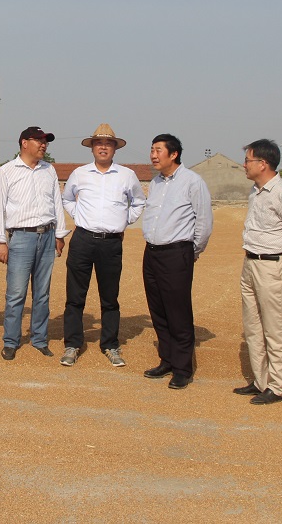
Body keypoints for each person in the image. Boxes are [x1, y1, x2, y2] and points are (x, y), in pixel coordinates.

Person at [60, 123, 145, 368]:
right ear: (92, 148)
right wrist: (78, 215)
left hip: (111, 243)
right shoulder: (80, 174)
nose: (103, 147)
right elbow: (67, 199)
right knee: (75, 296)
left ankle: (110, 344)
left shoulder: (127, 175)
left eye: (108, 144)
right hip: (83, 240)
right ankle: (72, 344)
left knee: (110, 297)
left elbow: (139, 202)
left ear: (115, 148)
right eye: (99, 143)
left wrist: (124, 220)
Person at [233, 139, 282, 404]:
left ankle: (277, 385)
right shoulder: (255, 192)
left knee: (274, 328)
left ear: (263, 164)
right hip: (251, 262)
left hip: (273, 264)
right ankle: (261, 381)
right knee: (253, 326)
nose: (244, 165)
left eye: (248, 160)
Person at [0, 126, 70, 360]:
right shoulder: (6, 172)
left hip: (47, 235)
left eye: (46, 141)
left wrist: (60, 234)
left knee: (42, 293)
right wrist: (0, 241)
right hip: (21, 237)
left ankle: (39, 339)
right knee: (16, 293)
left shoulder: (49, 170)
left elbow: (56, 203)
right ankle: (11, 341)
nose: (44, 145)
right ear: (24, 143)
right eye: (39, 140)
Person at [141, 134, 212, 390]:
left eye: (158, 150)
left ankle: (182, 368)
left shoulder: (193, 182)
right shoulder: (156, 182)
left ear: (174, 154)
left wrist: (191, 251)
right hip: (152, 253)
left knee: (178, 311)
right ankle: (167, 359)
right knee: (158, 309)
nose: (153, 155)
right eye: (152, 150)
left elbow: (203, 222)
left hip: (177, 253)